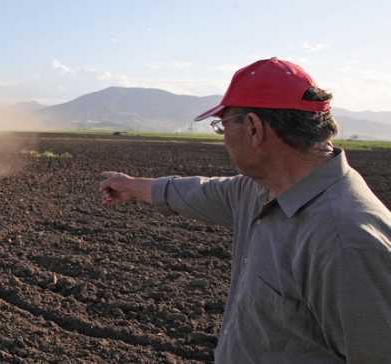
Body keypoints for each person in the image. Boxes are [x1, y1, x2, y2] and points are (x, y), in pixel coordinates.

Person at [99, 57, 391, 363]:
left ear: (253, 127)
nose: (223, 138)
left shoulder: (346, 242)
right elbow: (200, 192)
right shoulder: (260, 190)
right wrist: (133, 186)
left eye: (222, 126)